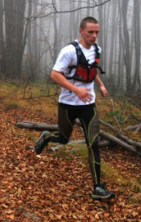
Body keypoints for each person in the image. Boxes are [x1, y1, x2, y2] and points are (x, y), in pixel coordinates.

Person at [34, 16, 115, 200]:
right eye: (90, 32)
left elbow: (91, 70)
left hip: (88, 105)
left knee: (93, 143)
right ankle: (46, 137)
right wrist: (76, 90)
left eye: (97, 32)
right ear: (81, 31)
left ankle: (97, 188)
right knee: (63, 138)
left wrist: (101, 85)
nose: (94, 36)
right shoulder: (69, 51)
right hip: (68, 104)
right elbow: (55, 74)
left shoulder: (97, 50)